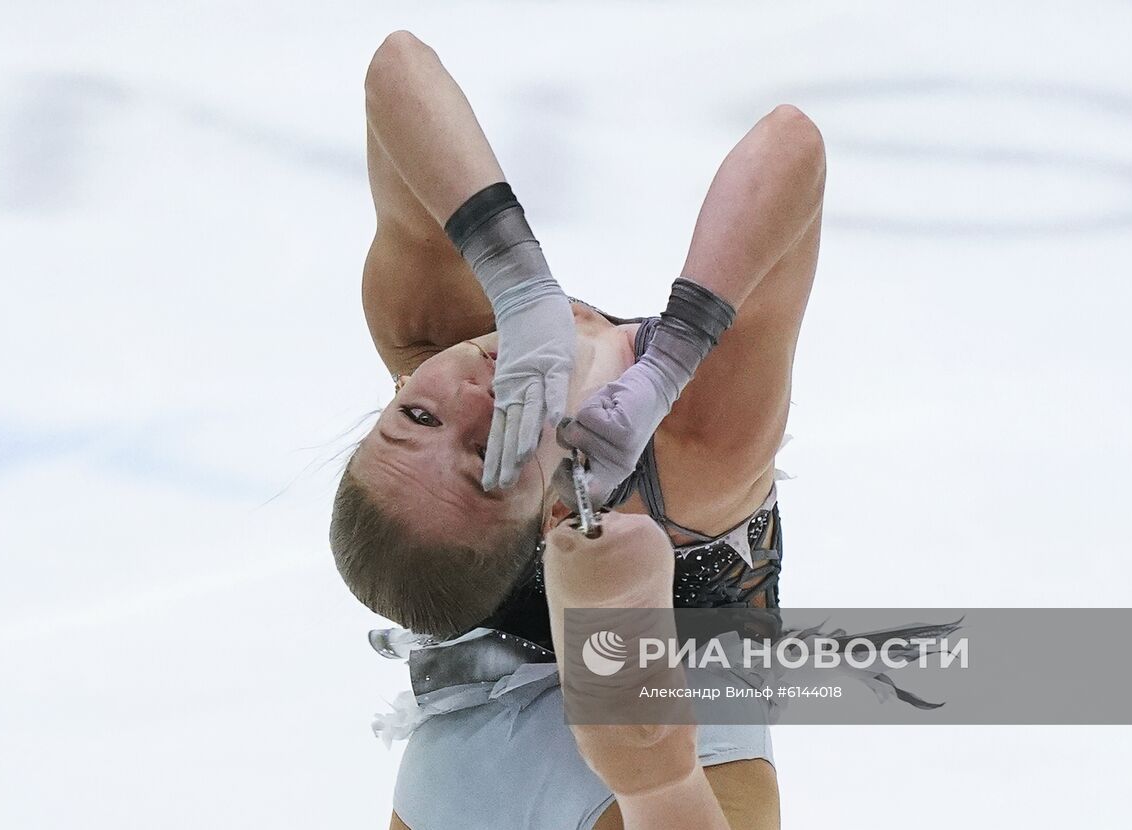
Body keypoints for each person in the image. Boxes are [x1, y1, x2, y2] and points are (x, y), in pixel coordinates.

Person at [330, 30, 825, 830]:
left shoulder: (431, 336)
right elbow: (791, 148)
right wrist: (676, 354)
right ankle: (647, 763)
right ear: (557, 510)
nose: (471, 398)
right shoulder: (696, 453)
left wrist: (515, 274)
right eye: (486, 456)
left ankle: (641, 751)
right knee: (645, 737)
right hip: (647, 727)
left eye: (415, 415)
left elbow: (396, 68)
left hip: (469, 762)